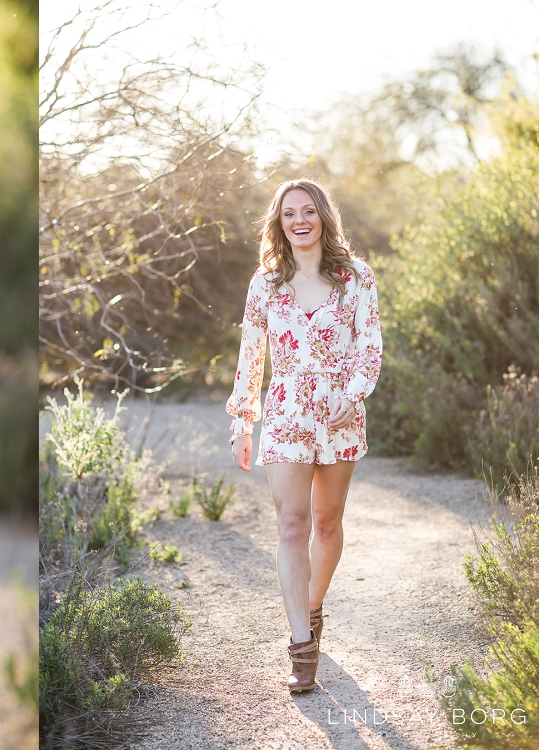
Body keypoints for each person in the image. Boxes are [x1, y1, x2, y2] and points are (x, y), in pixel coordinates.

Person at [226, 178, 383, 692]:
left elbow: (370, 346)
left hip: (340, 413)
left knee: (326, 522)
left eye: (309, 211)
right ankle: (301, 645)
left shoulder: (355, 277)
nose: (300, 220)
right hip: (288, 410)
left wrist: (353, 393)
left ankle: (313, 608)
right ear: (279, 221)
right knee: (291, 525)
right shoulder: (265, 284)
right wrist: (242, 422)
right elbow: (252, 356)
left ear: (323, 218)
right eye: (289, 212)